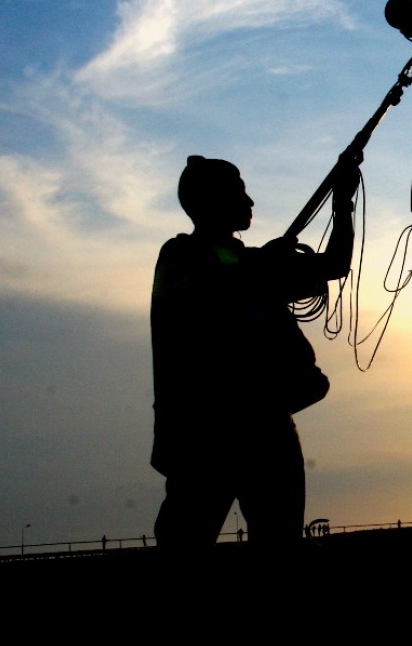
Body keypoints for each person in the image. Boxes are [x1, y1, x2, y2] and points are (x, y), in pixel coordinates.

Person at [149, 155, 357, 551]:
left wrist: (342, 203)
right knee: (183, 545)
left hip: (265, 426)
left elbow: (334, 264)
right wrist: (264, 263)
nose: (250, 202)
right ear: (211, 201)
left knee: (279, 543)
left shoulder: (253, 262)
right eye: (239, 192)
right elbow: (214, 285)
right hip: (204, 434)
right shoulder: (179, 256)